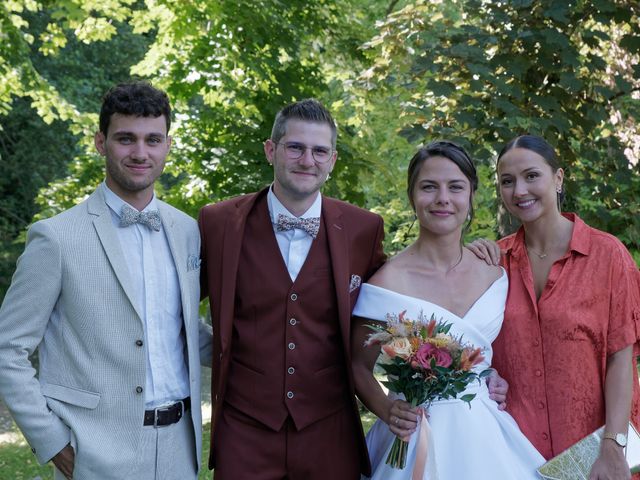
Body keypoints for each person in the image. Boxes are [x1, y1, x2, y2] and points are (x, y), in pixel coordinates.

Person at [0, 81, 213, 480]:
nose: (140, 153)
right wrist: (52, 442)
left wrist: (259, 350)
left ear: (168, 144)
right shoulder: (56, 237)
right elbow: (7, 350)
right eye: (125, 139)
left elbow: (180, 330)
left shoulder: (187, 230)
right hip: (95, 451)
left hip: (180, 451)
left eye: (153, 139)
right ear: (101, 142)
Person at [197, 98, 387, 479]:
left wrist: (466, 254)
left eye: (320, 151)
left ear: (332, 161)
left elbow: (400, 303)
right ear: (272, 150)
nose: (307, 160)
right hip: (244, 428)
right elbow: (172, 306)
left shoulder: (363, 229)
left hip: (329, 428)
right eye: (295, 147)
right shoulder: (218, 223)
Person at [351, 141, 545, 479]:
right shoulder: (386, 283)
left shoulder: (495, 272)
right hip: (413, 439)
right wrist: (388, 409)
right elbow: (356, 365)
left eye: (455, 187)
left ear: (471, 195)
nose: (443, 198)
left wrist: (492, 377)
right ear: (412, 196)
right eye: (429, 187)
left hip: (486, 437)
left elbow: (497, 353)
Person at [470, 135, 640, 480]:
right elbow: (470, 350)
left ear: (558, 179)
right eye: (507, 181)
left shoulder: (608, 255)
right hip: (514, 453)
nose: (519, 190)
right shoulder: (491, 263)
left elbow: (621, 359)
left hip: (593, 454)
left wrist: (613, 446)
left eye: (532, 176)